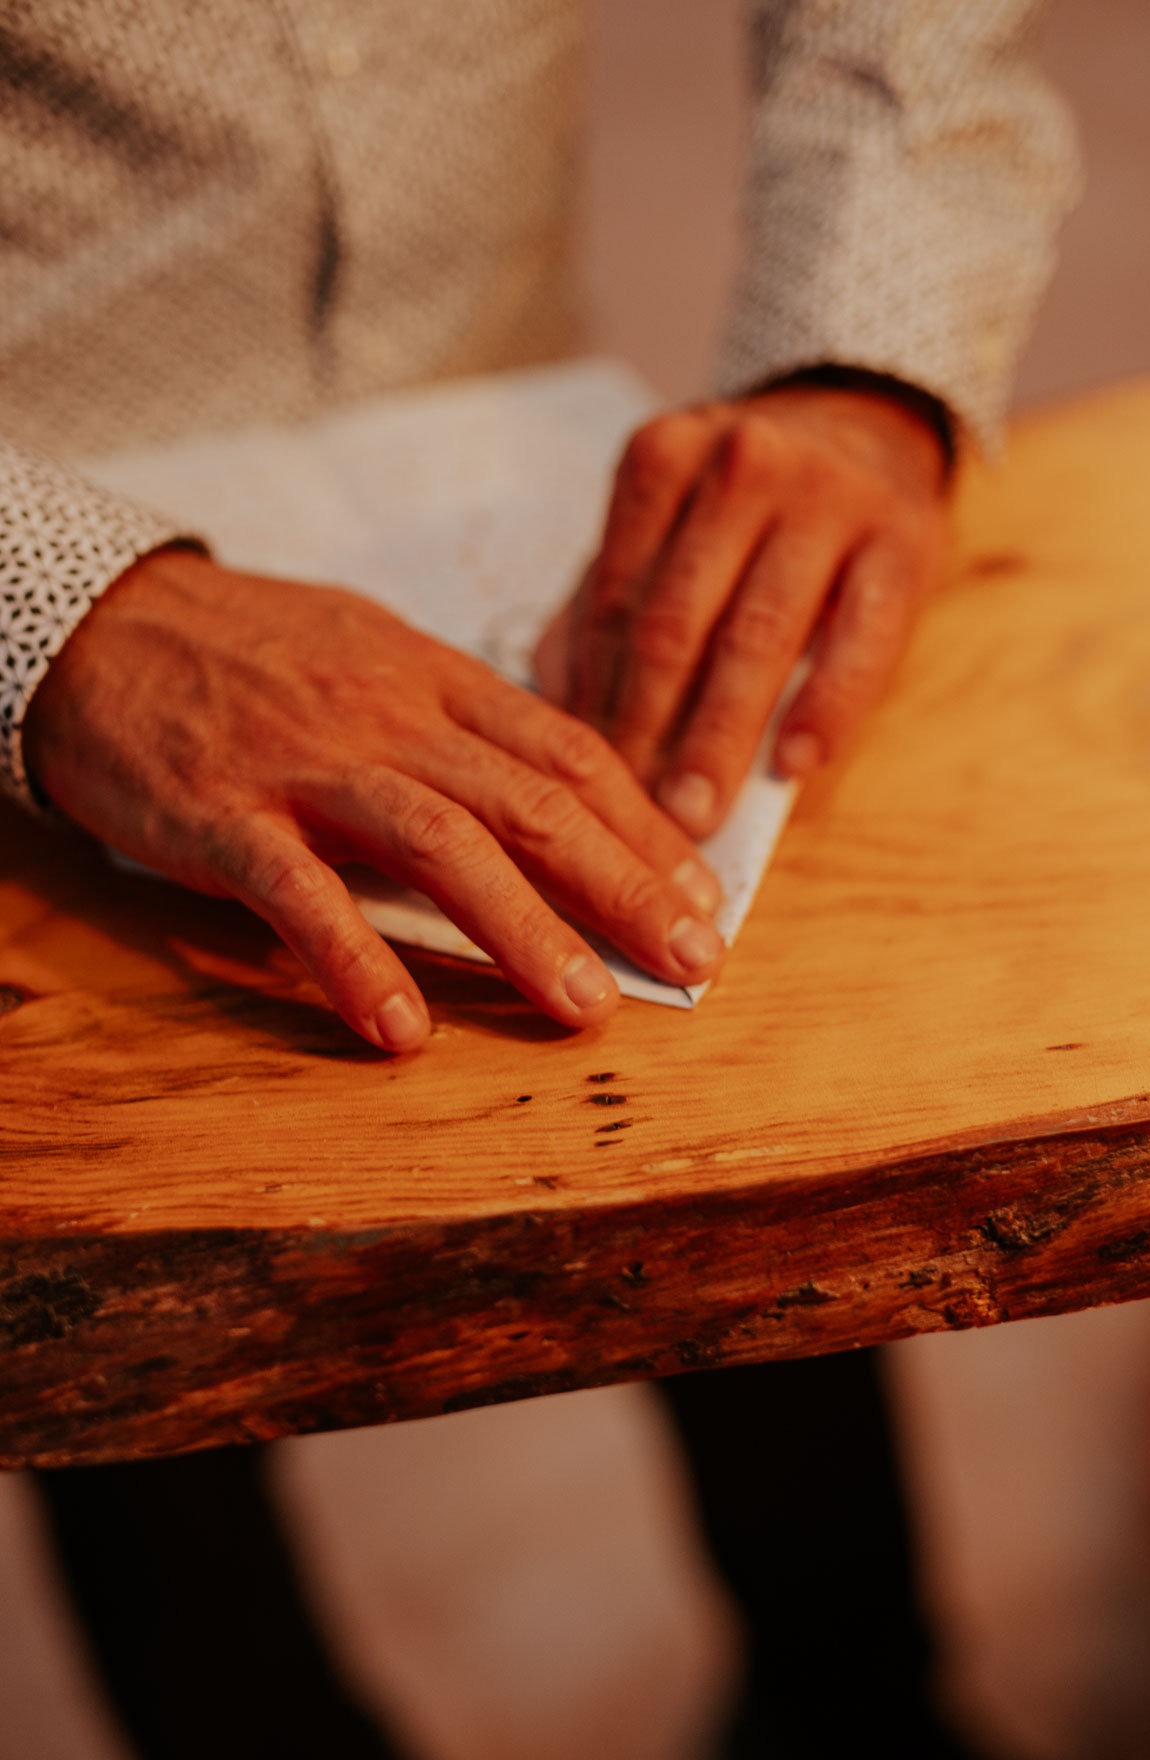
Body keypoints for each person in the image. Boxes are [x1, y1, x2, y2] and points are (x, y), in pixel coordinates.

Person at [1, 3, 1081, 1755]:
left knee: (703, 1049)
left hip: (521, 465)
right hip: (34, 663)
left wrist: (863, 360)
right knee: (110, 1268)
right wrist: (48, 614)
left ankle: (859, 1700)